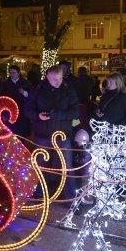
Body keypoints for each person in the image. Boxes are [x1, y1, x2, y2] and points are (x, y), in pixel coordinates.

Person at [24, 65, 80, 200]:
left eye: (60, 78)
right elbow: (27, 109)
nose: (58, 82)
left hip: (62, 133)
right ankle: (39, 192)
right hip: (43, 134)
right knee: (40, 165)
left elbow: (75, 111)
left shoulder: (68, 90)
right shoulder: (38, 90)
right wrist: (38, 116)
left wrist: (58, 115)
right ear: (47, 77)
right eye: (54, 79)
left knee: (66, 165)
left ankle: (70, 195)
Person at [1, 65, 31, 137]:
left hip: (22, 112)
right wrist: (3, 113)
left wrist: (24, 92)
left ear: (18, 73)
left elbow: (31, 95)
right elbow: (2, 99)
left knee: (22, 133)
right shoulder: (6, 84)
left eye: (14, 73)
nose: (12, 75)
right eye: (10, 73)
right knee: (11, 132)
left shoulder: (25, 83)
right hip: (10, 112)